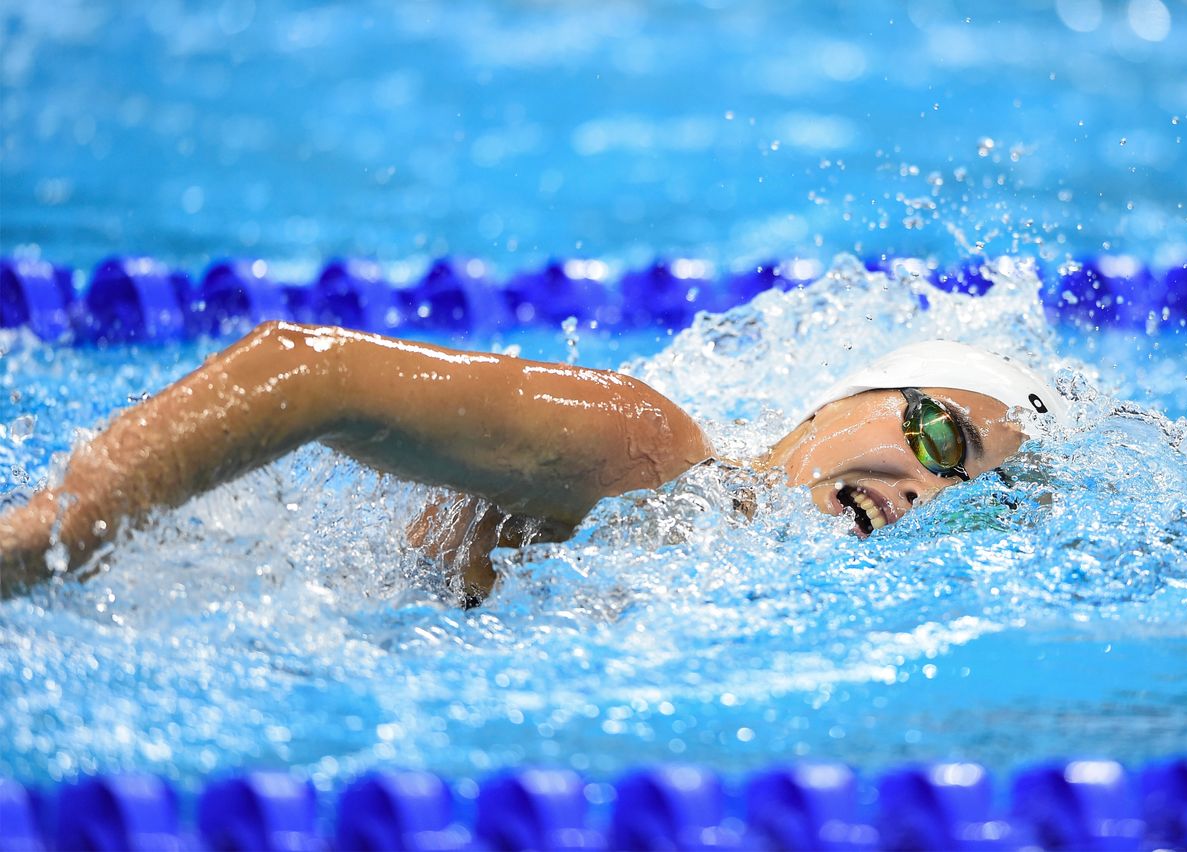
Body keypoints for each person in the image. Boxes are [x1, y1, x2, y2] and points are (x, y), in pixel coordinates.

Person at [0, 322, 1065, 600]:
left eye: (964, 493)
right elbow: (306, 369)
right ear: (842, 402)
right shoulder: (649, 448)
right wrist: (49, 535)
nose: (926, 487)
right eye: (935, 437)